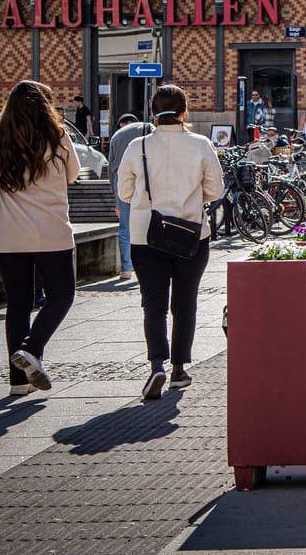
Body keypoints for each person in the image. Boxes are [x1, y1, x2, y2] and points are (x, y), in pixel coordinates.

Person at [115, 85, 224, 400]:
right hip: (191, 234)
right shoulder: (201, 145)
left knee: (153, 304)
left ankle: (156, 365)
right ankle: (179, 368)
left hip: (145, 235)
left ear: (153, 112)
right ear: (184, 112)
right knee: (185, 303)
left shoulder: (138, 147)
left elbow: (124, 193)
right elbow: (215, 190)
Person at [0, 80, 81, 397]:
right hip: (50, 231)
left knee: (18, 304)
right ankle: (32, 348)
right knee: (61, 296)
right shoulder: (57, 138)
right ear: (45, 107)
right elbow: (73, 175)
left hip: (8, 235)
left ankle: (18, 382)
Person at [108, 114, 145, 281]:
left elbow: (111, 168)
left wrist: (116, 200)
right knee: (146, 221)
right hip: (142, 176)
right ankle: (145, 265)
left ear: (121, 124)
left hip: (120, 179)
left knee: (124, 226)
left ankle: (126, 268)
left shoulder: (117, 136)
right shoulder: (146, 130)